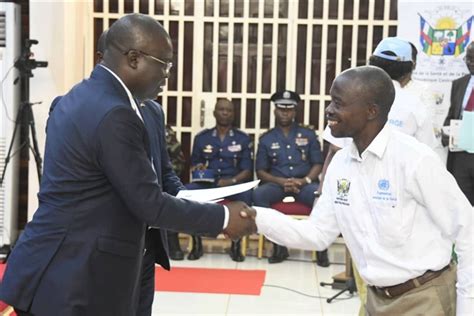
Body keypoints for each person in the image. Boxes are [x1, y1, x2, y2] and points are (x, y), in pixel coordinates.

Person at [0, 14, 256, 316]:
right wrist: (223, 219)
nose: (167, 76)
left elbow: (156, 177)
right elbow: (148, 203)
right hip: (75, 269)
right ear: (133, 58)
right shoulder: (113, 114)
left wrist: (187, 197)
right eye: (165, 65)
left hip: (118, 259)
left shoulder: (112, 104)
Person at [254, 66, 473, 315]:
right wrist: (255, 219)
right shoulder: (340, 164)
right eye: (330, 101)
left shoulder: (415, 160)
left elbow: (468, 231)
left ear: (371, 111)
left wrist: (467, 306)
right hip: (374, 299)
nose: (329, 110)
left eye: (338, 103)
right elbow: (317, 234)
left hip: (424, 298)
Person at [253, 90, 327, 266]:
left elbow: (318, 163)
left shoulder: (308, 135)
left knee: (321, 197)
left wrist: (305, 180)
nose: (285, 113)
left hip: (304, 183)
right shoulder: (266, 138)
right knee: (258, 196)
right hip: (277, 184)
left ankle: (321, 247)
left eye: (289, 109)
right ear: (274, 111)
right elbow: (261, 170)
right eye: (281, 109)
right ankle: (278, 245)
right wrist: (281, 182)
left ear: (295, 111)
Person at [186, 98, 253, 262]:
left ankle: (236, 245)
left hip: (233, 183)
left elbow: (247, 170)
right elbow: (195, 164)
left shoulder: (242, 138)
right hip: (208, 183)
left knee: (247, 195)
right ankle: (196, 243)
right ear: (214, 113)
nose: (225, 113)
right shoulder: (202, 138)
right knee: (188, 193)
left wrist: (231, 182)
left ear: (233, 114)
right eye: (221, 109)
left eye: (228, 110)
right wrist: (199, 168)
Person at [368, 37, 438, 150]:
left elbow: (335, 148)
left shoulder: (353, 94)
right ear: (410, 67)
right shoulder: (415, 105)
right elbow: (427, 147)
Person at [442, 42, 474, 205]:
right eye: (468, 59)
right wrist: (446, 133)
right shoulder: (459, 83)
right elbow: (452, 115)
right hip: (459, 156)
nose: (470, 64)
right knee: (461, 205)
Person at [164, 124, 186, 260]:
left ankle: (172, 242)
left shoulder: (163, 129)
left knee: (171, 194)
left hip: (157, 179)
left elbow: (179, 161)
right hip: (129, 178)